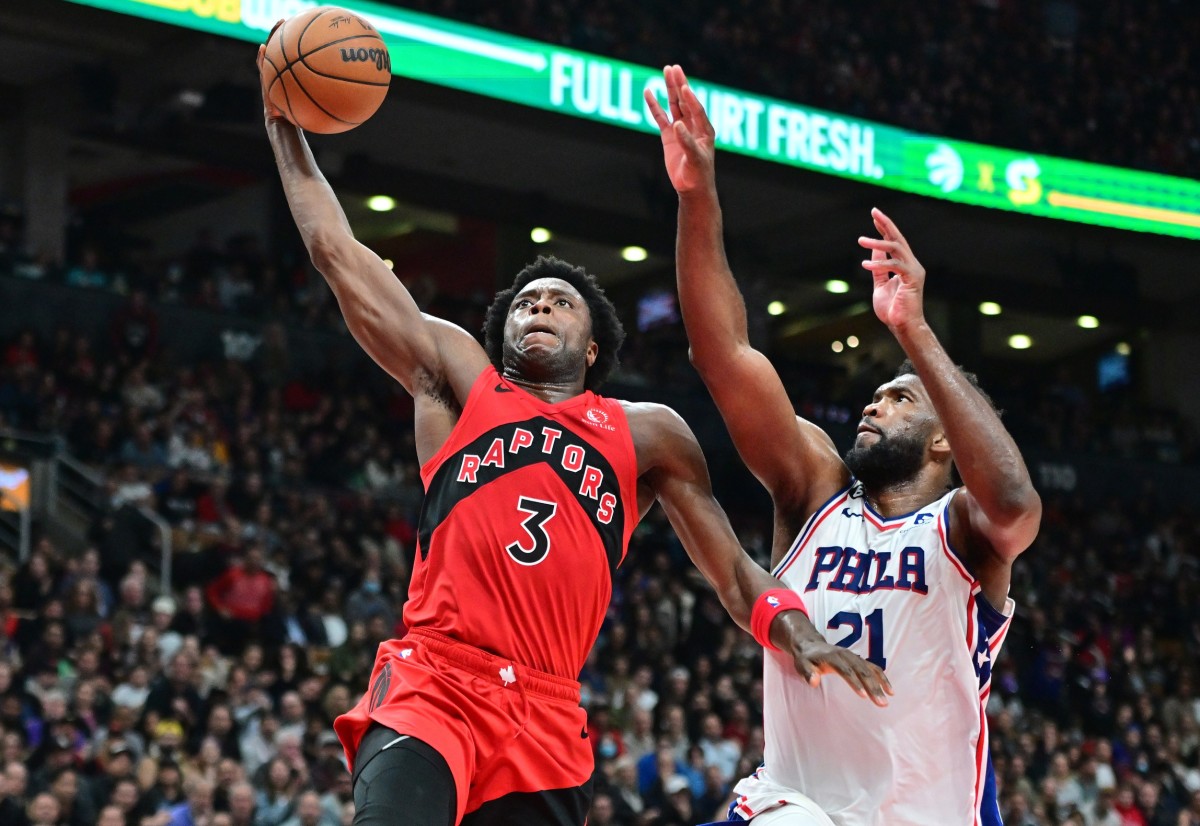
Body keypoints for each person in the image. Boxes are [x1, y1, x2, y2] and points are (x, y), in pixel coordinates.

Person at [256, 32, 889, 826]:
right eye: (525, 301)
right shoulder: (460, 382)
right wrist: (285, 125)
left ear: (593, 346)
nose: (539, 305)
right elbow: (337, 255)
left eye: (560, 300)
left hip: (547, 717)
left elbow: (731, 572)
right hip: (435, 685)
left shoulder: (648, 434)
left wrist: (797, 634)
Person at [646, 65, 1042, 825]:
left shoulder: (964, 529)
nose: (874, 401)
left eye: (900, 399)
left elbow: (1016, 504)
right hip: (792, 803)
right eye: (878, 391)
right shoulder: (815, 489)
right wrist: (699, 199)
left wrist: (914, 333)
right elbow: (723, 354)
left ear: (940, 444)